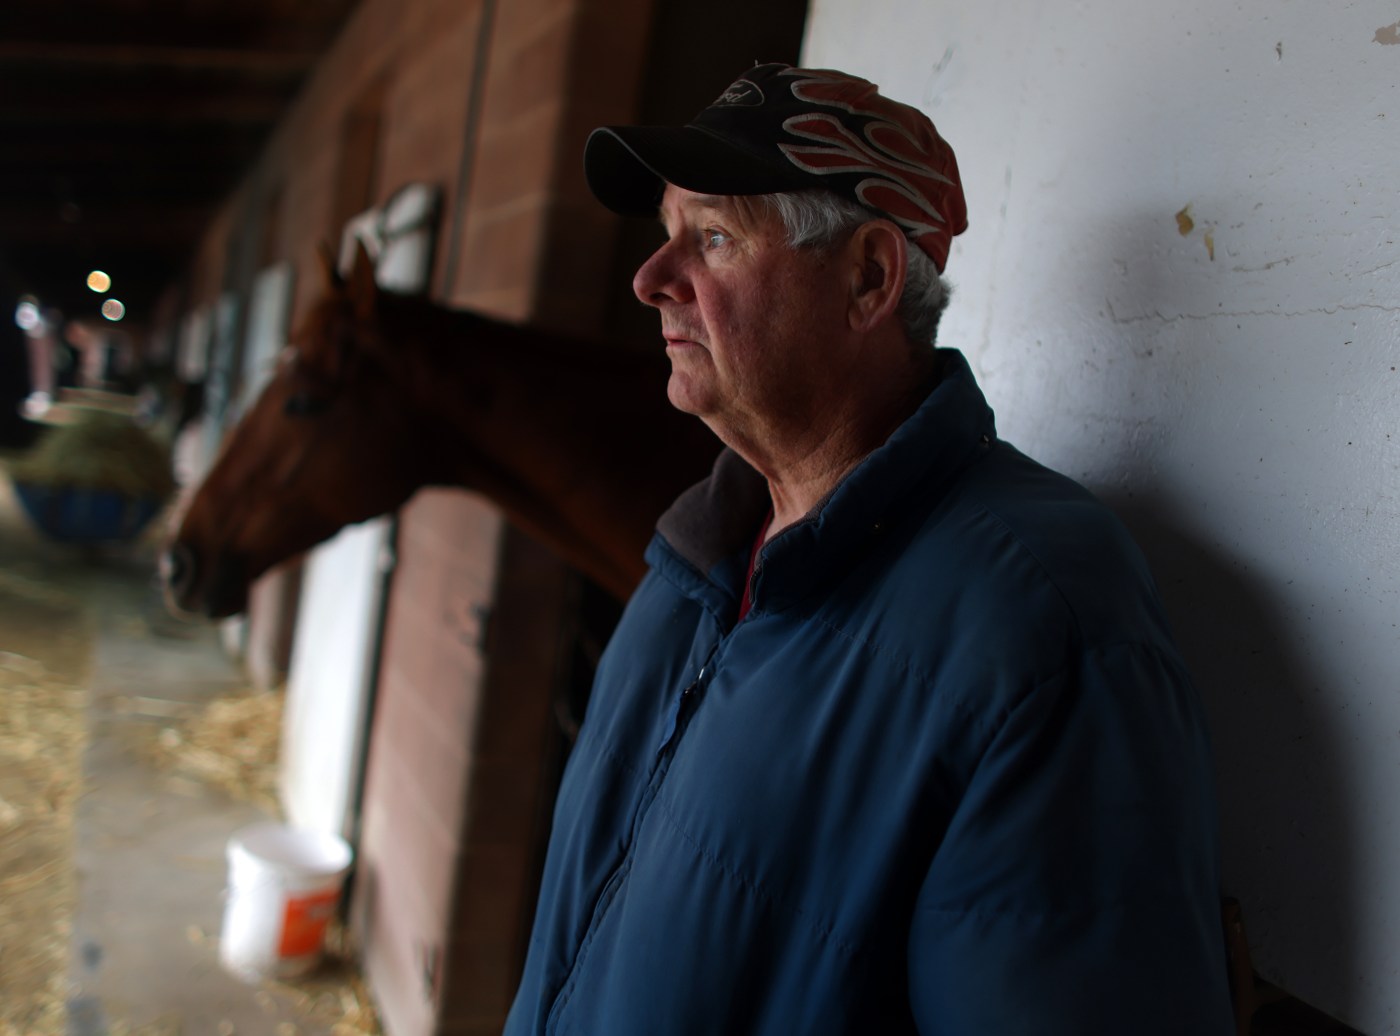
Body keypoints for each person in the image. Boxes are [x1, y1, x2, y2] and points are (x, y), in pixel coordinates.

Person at [505, 63, 1234, 1034]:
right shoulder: (687, 572)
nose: (649, 281)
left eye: (711, 239)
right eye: (662, 237)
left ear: (867, 278)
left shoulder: (1042, 622)